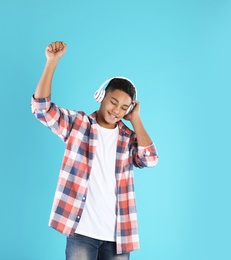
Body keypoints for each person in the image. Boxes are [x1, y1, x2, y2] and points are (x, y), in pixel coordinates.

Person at [30, 41, 158, 260]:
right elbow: (42, 109)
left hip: (118, 236)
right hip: (82, 232)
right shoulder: (78, 124)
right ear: (102, 97)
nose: (116, 110)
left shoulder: (128, 139)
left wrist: (135, 119)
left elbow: (150, 158)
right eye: (113, 102)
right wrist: (52, 63)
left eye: (123, 107)